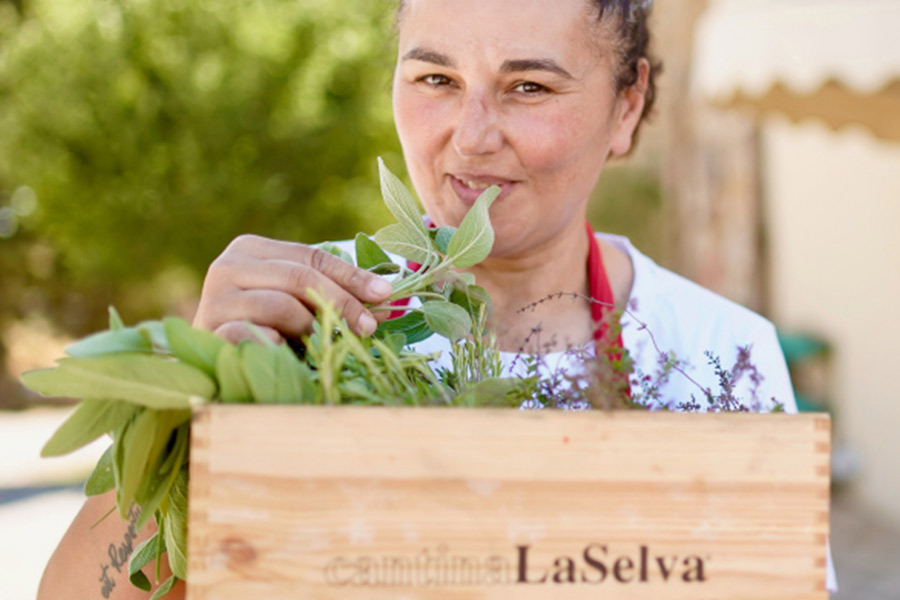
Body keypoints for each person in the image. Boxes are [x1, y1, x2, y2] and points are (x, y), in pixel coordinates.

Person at [37, 0, 834, 597]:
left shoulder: (717, 350)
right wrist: (189, 413)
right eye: (436, 79)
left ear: (626, 106)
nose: (472, 135)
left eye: (528, 86)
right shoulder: (299, 323)